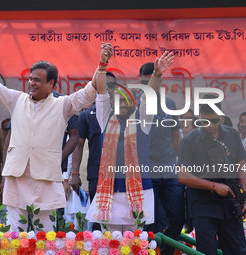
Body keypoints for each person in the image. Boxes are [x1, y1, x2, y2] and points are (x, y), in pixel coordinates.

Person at [0, 43, 102, 232]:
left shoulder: (63, 104)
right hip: (17, 177)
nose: (32, 83)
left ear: (51, 84)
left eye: (37, 80)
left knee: (45, 235)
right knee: (15, 233)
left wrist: (102, 64)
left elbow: (90, 90)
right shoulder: (16, 99)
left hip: (45, 178)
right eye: (30, 79)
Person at [86, 44, 174, 232]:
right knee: (111, 244)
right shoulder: (105, 120)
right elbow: (101, 93)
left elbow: (149, 97)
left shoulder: (142, 122)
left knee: (135, 242)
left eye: (127, 101)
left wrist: (157, 75)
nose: (122, 104)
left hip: (138, 192)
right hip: (109, 193)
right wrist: (102, 63)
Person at [178, 93, 246, 255]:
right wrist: (214, 186)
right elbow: (183, 176)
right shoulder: (189, 141)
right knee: (207, 251)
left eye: (214, 120)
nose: (209, 125)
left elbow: (241, 167)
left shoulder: (232, 134)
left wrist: (241, 197)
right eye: (204, 121)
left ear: (222, 117)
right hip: (203, 206)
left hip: (230, 203)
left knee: (237, 250)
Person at [139, 62, 184, 255]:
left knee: (178, 215)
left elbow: (175, 136)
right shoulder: (136, 103)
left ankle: (164, 251)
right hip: (146, 172)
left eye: (154, 77)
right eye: (147, 78)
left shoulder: (170, 104)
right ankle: (151, 251)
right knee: (152, 220)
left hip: (169, 169)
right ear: (140, 80)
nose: (151, 82)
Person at [71, 71, 117, 231]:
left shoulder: (126, 112)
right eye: (103, 86)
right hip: (97, 174)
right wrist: (75, 174)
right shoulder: (86, 115)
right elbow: (78, 145)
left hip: (123, 175)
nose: (107, 89)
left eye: (110, 86)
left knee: (122, 216)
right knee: (99, 219)